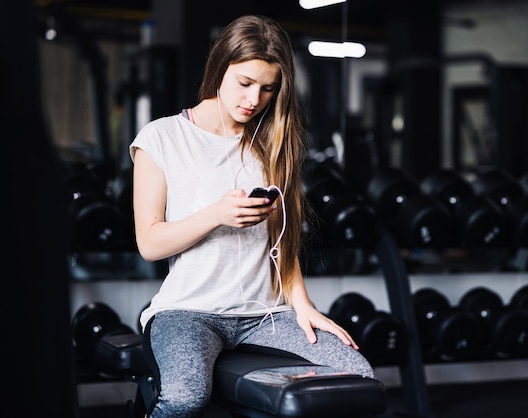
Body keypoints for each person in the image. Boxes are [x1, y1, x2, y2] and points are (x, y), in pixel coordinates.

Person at [130, 15, 375, 417]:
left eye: (267, 89)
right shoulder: (162, 138)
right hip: (188, 313)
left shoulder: (270, 146)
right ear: (220, 67)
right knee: (185, 397)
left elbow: (283, 242)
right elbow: (150, 244)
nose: (254, 99)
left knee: (357, 377)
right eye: (245, 83)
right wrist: (216, 214)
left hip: (267, 315)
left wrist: (303, 305)